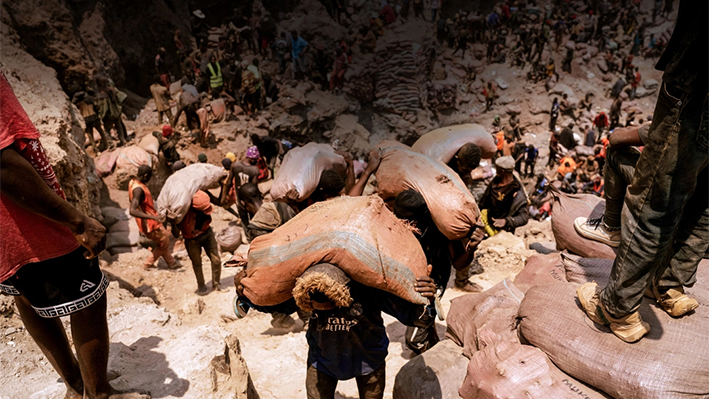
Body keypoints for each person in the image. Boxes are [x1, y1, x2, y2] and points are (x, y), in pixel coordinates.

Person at [577, 0, 707, 344]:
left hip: (698, 87)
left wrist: (631, 134)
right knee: (703, 205)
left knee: (653, 206)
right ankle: (668, 285)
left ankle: (616, 309)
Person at [0, 73, 137, 399]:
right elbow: (3, 165)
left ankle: (76, 384)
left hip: (6, 228)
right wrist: (76, 222)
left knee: (26, 293)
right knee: (88, 299)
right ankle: (97, 392)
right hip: (24, 220)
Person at [234, 262, 437, 398]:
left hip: (368, 360)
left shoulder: (367, 288)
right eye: (316, 309)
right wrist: (244, 291)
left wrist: (426, 299)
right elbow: (272, 303)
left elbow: (416, 317)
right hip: (322, 360)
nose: (323, 311)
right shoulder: (303, 292)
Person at [393, 190, 484, 353]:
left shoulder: (441, 229)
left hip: (434, 283)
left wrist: (471, 248)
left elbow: (459, 263)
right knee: (424, 320)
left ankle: (432, 360)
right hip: (408, 283)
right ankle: (431, 336)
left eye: (410, 220)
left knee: (414, 340)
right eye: (401, 219)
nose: (406, 224)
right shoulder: (395, 227)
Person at [171, 191, 223, 295]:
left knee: (216, 260)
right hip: (191, 240)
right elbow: (176, 234)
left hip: (207, 233)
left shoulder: (204, 208)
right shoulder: (182, 214)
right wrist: (173, 222)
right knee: (197, 263)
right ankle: (201, 286)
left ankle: (216, 284)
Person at [129, 165, 176, 270]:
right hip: (150, 224)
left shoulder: (132, 182)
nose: (150, 179)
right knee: (165, 242)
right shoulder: (139, 190)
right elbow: (132, 210)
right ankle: (148, 264)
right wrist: (154, 217)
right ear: (145, 176)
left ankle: (172, 263)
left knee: (161, 242)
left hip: (149, 221)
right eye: (149, 176)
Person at [479, 156, 530, 236]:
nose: (495, 170)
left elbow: (524, 217)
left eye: (497, 168)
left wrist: (506, 221)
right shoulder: (495, 182)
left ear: (502, 171)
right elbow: (484, 201)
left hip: (503, 233)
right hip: (487, 225)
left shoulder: (516, 191)